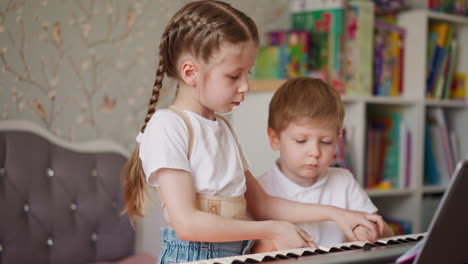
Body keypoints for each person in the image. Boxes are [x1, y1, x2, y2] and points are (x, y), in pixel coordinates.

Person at [121, 1, 384, 263]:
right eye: (234, 76)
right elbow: (187, 224)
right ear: (191, 73)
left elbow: (264, 205)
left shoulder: (222, 127)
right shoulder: (168, 126)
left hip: (235, 255)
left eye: (248, 73)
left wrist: (338, 214)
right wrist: (272, 228)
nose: (246, 85)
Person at [254, 77, 394, 252]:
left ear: (337, 140)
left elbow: (387, 234)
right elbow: (254, 251)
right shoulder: (259, 190)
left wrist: (367, 230)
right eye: (301, 140)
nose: (315, 152)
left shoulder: (343, 181)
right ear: (275, 139)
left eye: (326, 142)